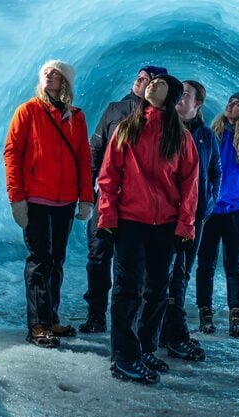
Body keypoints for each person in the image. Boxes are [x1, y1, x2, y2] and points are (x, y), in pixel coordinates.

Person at [96, 74, 199, 383]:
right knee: (128, 289)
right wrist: (107, 217)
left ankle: (143, 348)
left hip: (165, 226)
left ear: (170, 96)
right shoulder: (127, 128)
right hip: (130, 223)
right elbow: (108, 176)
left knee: (156, 290)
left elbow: (190, 185)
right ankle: (124, 356)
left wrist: (185, 226)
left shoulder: (180, 138)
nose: (153, 84)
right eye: (151, 82)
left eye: (161, 84)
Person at [3, 60, 95, 348]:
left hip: (65, 200)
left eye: (56, 73)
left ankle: (51, 317)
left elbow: (83, 158)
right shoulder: (27, 111)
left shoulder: (76, 117)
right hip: (36, 199)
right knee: (39, 261)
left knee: (56, 261)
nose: (49, 75)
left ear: (65, 82)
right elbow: (12, 154)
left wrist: (86, 198)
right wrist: (17, 198)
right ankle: (37, 325)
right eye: (46, 72)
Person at [80, 65, 167, 333]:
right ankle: (96, 314)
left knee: (132, 264)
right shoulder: (115, 109)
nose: (140, 81)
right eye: (139, 77)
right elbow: (95, 149)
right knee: (98, 256)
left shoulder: (163, 117)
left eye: (148, 79)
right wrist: (88, 195)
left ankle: (133, 320)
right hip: (107, 199)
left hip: (138, 206)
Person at [195, 91, 239, 338]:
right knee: (205, 264)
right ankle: (206, 314)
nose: (230, 105)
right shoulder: (209, 137)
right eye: (230, 101)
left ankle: (236, 315)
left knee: (234, 266)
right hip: (209, 211)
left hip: (236, 213)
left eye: (236, 104)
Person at [160, 80, 221, 361]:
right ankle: (173, 333)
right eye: (179, 94)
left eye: (186, 96)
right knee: (164, 274)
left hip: (194, 217)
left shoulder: (207, 137)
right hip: (165, 215)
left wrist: (207, 204)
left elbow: (215, 172)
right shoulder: (163, 129)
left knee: (181, 272)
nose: (180, 100)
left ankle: (168, 331)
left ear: (198, 104)